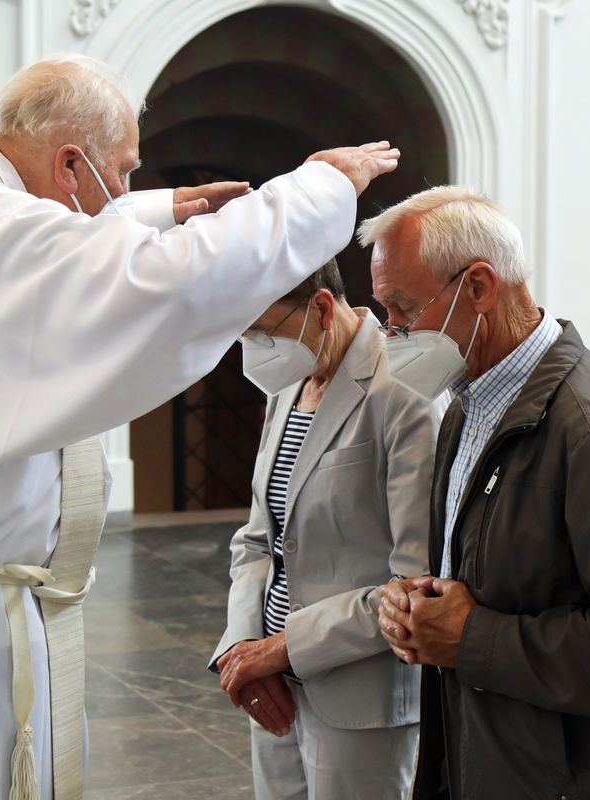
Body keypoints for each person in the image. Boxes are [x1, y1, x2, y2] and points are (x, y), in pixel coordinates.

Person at [0, 55, 401, 800]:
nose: (124, 193)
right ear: (70, 163)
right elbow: (174, 285)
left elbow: (65, 233)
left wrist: (159, 208)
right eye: (124, 172)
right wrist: (323, 186)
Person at [367, 186, 590, 799]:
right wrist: (424, 604)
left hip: (574, 775)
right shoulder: (467, 406)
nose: (391, 333)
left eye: (402, 308)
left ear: (478, 287)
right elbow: (499, 572)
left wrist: (470, 637)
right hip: (495, 751)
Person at [209, 257, 442, 799]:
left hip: (361, 695)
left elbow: (413, 582)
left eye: (264, 331)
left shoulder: (404, 391)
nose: (257, 350)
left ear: (320, 306)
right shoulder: (287, 387)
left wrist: (286, 647)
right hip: (272, 682)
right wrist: (245, 643)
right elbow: (256, 540)